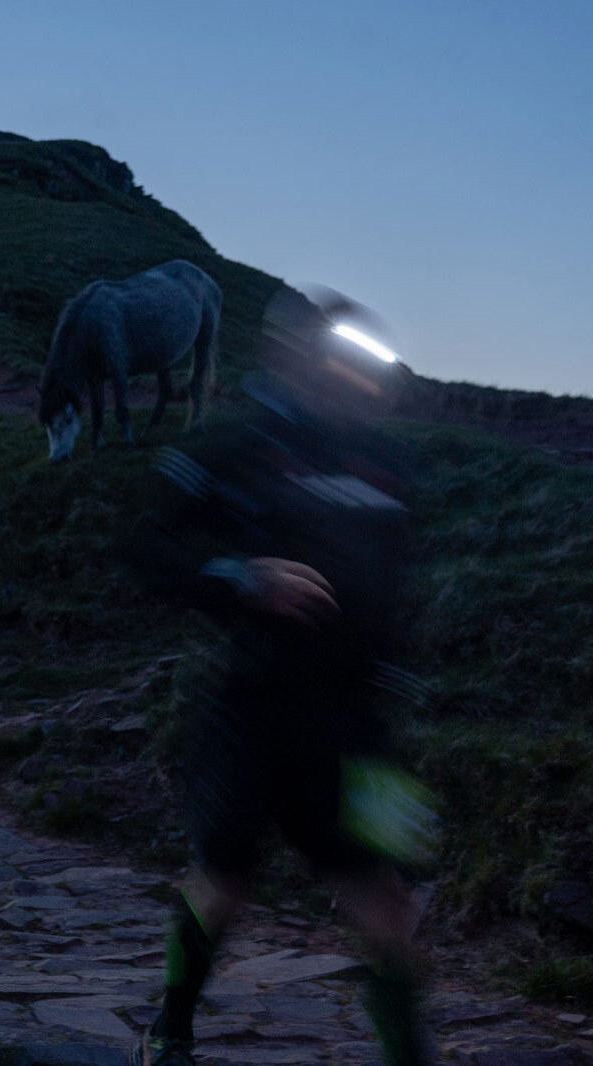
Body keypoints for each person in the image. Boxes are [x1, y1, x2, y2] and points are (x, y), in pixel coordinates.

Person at [123, 290, 437, 1066]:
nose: (348, 374)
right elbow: (140, 548)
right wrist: (237, 574)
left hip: (355, 721)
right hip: (252, 709)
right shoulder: (234, 449)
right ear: (289, 357)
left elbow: (395, 581)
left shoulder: (389, 463)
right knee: (225, 880)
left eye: (362, 358)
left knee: (387, 899)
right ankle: (171, 1029)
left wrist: (394, 683)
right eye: (330, 354)